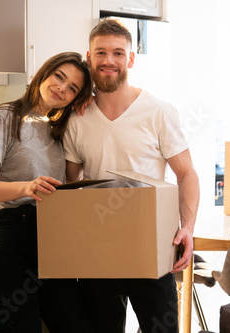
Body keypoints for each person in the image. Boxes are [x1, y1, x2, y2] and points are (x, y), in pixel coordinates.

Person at [63, 18, 200, 332]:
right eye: (101, 53)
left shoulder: (159, 112)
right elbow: (70, 185)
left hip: (151, 244)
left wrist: (188, 228)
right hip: (97, 249)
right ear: (89, 57)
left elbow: (186, 173)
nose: (109, 60)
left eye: (118, 53)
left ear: (131, 59)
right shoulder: (77, 118)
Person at [0, 52, 93, 333]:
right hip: (9, 237)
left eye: (73, 88)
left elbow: (74, 180)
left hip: (51, 239)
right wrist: (26, 187)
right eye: (59, 77)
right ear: (43, 73)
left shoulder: (59, 129)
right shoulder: (4, 117)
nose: (62, 88)